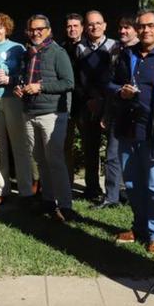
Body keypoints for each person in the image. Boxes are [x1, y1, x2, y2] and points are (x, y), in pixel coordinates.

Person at [109, 10, 154, 254]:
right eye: (141, 26)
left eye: (150, 26)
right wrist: (119, 91)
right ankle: (140, 227)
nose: (145, 30)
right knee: (133, 184)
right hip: (128, 129)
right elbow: (109, 82)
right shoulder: (127, 55)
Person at [14, 14, 76, 223]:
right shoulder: (28, 53)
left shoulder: (58, 52)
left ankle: (66, 206)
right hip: (29, 111)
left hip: (52, 113)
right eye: (32, 29)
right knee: (40, 160)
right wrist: (20, 88)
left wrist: (41, 87)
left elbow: (68, 82)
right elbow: (24, 77)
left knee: (55, 160)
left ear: (48, 30)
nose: (36, 32)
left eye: (40, 29)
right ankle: (48, 200)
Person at [0, 13, 30, 205]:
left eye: (0, 27)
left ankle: (26, 191)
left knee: (20, 146)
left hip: (13, 100)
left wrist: (11, 79)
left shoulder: (17, 48)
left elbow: (27, 73)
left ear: (7, 28)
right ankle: (3, 190)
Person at [95, 15, 139, 210]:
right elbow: (109, 83)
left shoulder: (146, 52)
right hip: (116, 110)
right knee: (112, 155)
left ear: (137, 30)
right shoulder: (115, 50)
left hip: (140, 114)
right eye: (121, 27)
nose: (122, 31)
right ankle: (111, 197)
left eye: (127, 28)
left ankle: (135, 195)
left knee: (139, 157)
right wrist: (106, 112)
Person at [74, 11, 117, 202]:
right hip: (88, 104)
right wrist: (89, 99)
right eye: (90, 24)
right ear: (86, 26)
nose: (94, 27)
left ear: (105, 25)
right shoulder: (79, 48)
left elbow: (117, 76)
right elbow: (77, 78)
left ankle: (112, 193)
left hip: (109, 105)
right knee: (90, 150)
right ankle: (92, 189)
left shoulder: (115, 46)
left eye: (98, 23)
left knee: (112, 153)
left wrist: (103, 100)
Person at [62, 13, 84, 191]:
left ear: (82, 28)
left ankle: (93, 188)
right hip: (67, 106)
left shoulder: (88, 48)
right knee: (65, 148)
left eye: (76, 26)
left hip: (86, 104)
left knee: (90, 149)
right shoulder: (61, 49)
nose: (72, 29)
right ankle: (67, 185)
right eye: (69, 26)